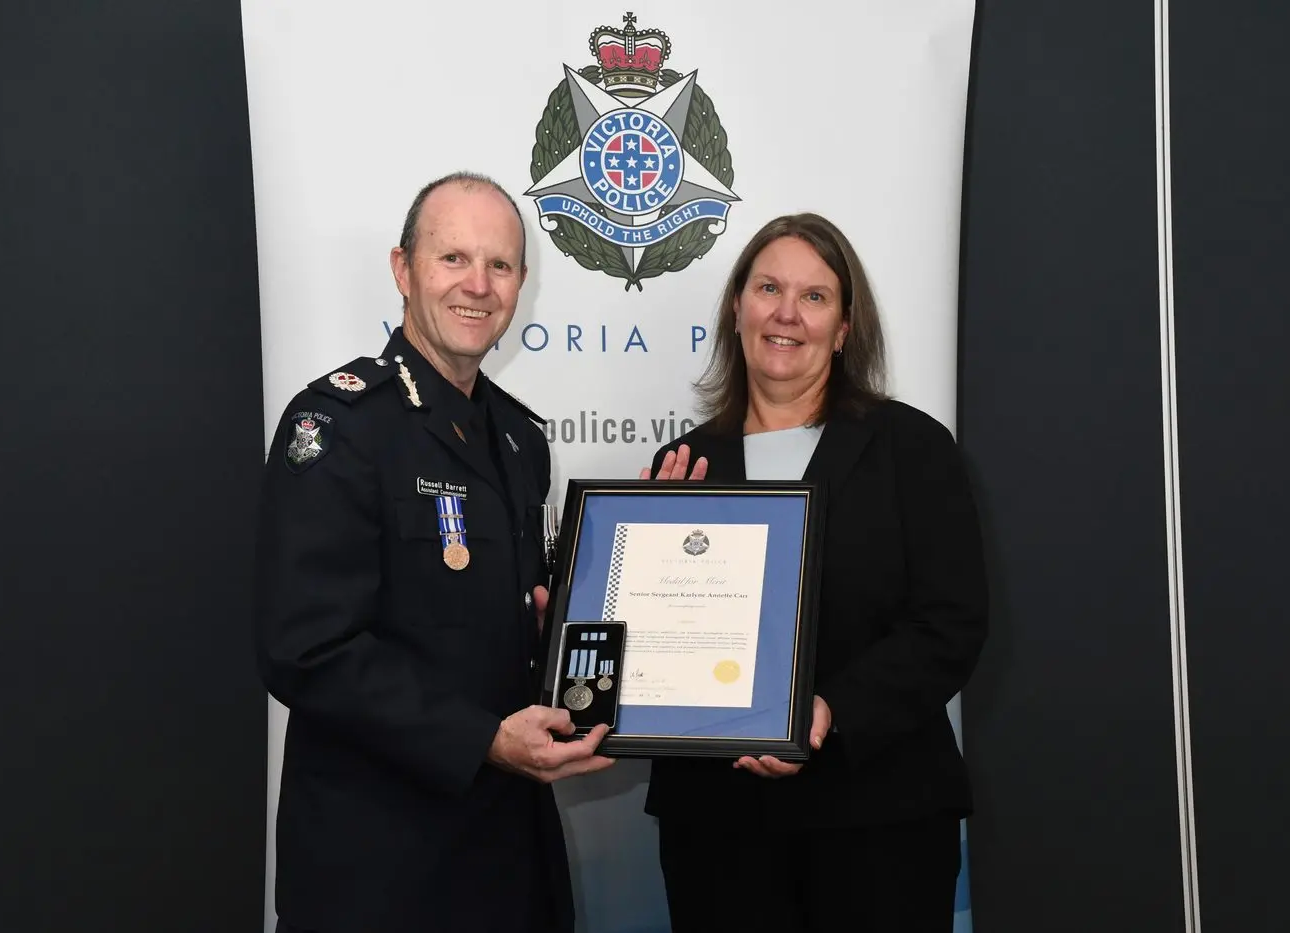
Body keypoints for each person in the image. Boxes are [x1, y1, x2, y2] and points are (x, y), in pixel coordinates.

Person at [254, 171, 613, 933]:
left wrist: (557, 638)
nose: (477, 286)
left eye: (501, 265)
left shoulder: (520, 439)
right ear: (402, 269)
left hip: (505, 857)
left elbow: (499, 620)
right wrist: (483, 738)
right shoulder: (339, 426)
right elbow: (306, 647)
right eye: (453, 258)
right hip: (380, 864)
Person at [640, 213, 989, 932]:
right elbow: (659, 651)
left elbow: (949, 623)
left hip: (878, 818)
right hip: (718, 830)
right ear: (736, 307)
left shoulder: (912, 448)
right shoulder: (687, 464)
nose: (785, 313)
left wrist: (831, 708)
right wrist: (637, 559)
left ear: (843, 327)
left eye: (814, 296)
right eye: (767, 287)